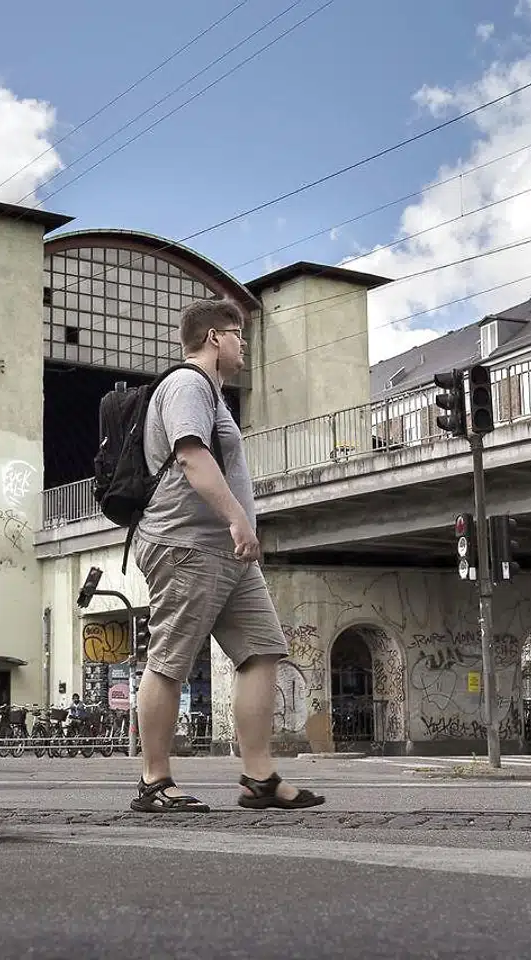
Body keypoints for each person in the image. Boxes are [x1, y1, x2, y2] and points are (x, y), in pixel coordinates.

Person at [129, 298, 323, 813]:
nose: (244, 345)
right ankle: (154, 782)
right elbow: (191, 455)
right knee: (170, 659)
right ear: (215, 337)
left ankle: (259, 778)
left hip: (228, 552)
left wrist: (238, 531)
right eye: (239, 335)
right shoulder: (187, 385)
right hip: (187, 544)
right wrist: (238, 517)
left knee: (262, 650)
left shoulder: (214, 395)